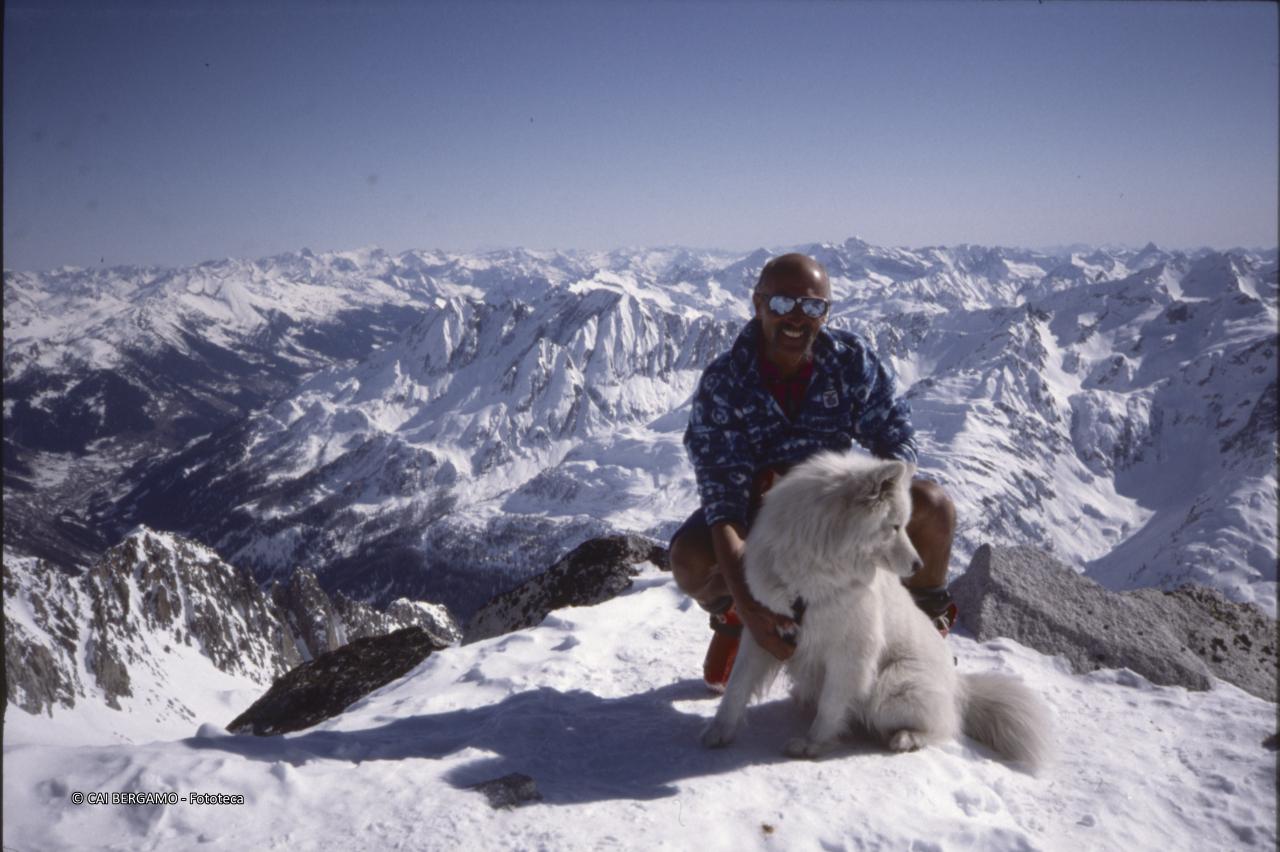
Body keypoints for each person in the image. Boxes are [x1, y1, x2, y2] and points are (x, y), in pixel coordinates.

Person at [669, 252, 957, 691]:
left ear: (827, 311)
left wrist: (870, 500)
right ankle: (738, 618)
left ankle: (921, 633)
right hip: (757, 517)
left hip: (836, 510)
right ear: (758, 303)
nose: (797, 319)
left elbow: (896, 436)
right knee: (690, 559)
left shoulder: (849, 361)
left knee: (933, 507)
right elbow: (723, 504)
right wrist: (750, 608)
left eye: (812, 307)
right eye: (782, 304)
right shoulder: (724, 383)